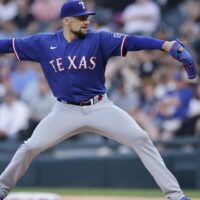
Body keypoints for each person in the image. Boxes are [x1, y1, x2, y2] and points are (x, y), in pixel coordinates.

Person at [0, 0, 197, 199]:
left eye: (87, 17)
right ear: (66, 20)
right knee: (30, 147)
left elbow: (133, 41)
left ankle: (175, 195)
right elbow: (8, 45)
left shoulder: (99, 39)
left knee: (141, 139)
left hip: (100, 107)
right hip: (65, 110)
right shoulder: (44, 42)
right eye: (81, 17)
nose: (86, 21)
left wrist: (165, 45)